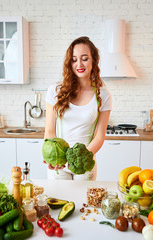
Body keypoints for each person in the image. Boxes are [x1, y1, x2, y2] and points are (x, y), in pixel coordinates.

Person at [44, 36, 112, 180]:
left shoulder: (103, 95)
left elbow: (99, 137)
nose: (79, 64)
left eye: (85, 58)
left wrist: (79, 159)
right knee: (58, 201)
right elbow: (50, 131)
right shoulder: (55, 91)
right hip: (60, 164)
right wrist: (54, 157)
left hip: (85, 164)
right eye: (74, 59)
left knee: (83, 202)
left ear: (94, 60)